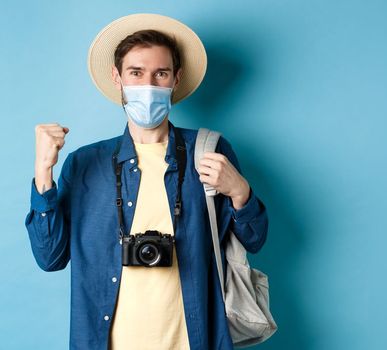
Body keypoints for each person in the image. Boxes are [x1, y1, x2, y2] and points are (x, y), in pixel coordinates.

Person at [25, 13, 268, 350]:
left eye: (160, 74)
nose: (148, 86)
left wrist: (241, 193)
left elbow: (254, 240)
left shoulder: (208, 150)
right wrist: (43, 172)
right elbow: (49, 257)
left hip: (192, 341)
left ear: (176, 79)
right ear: (117, 76)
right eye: (136, 73)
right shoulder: (84, 163)